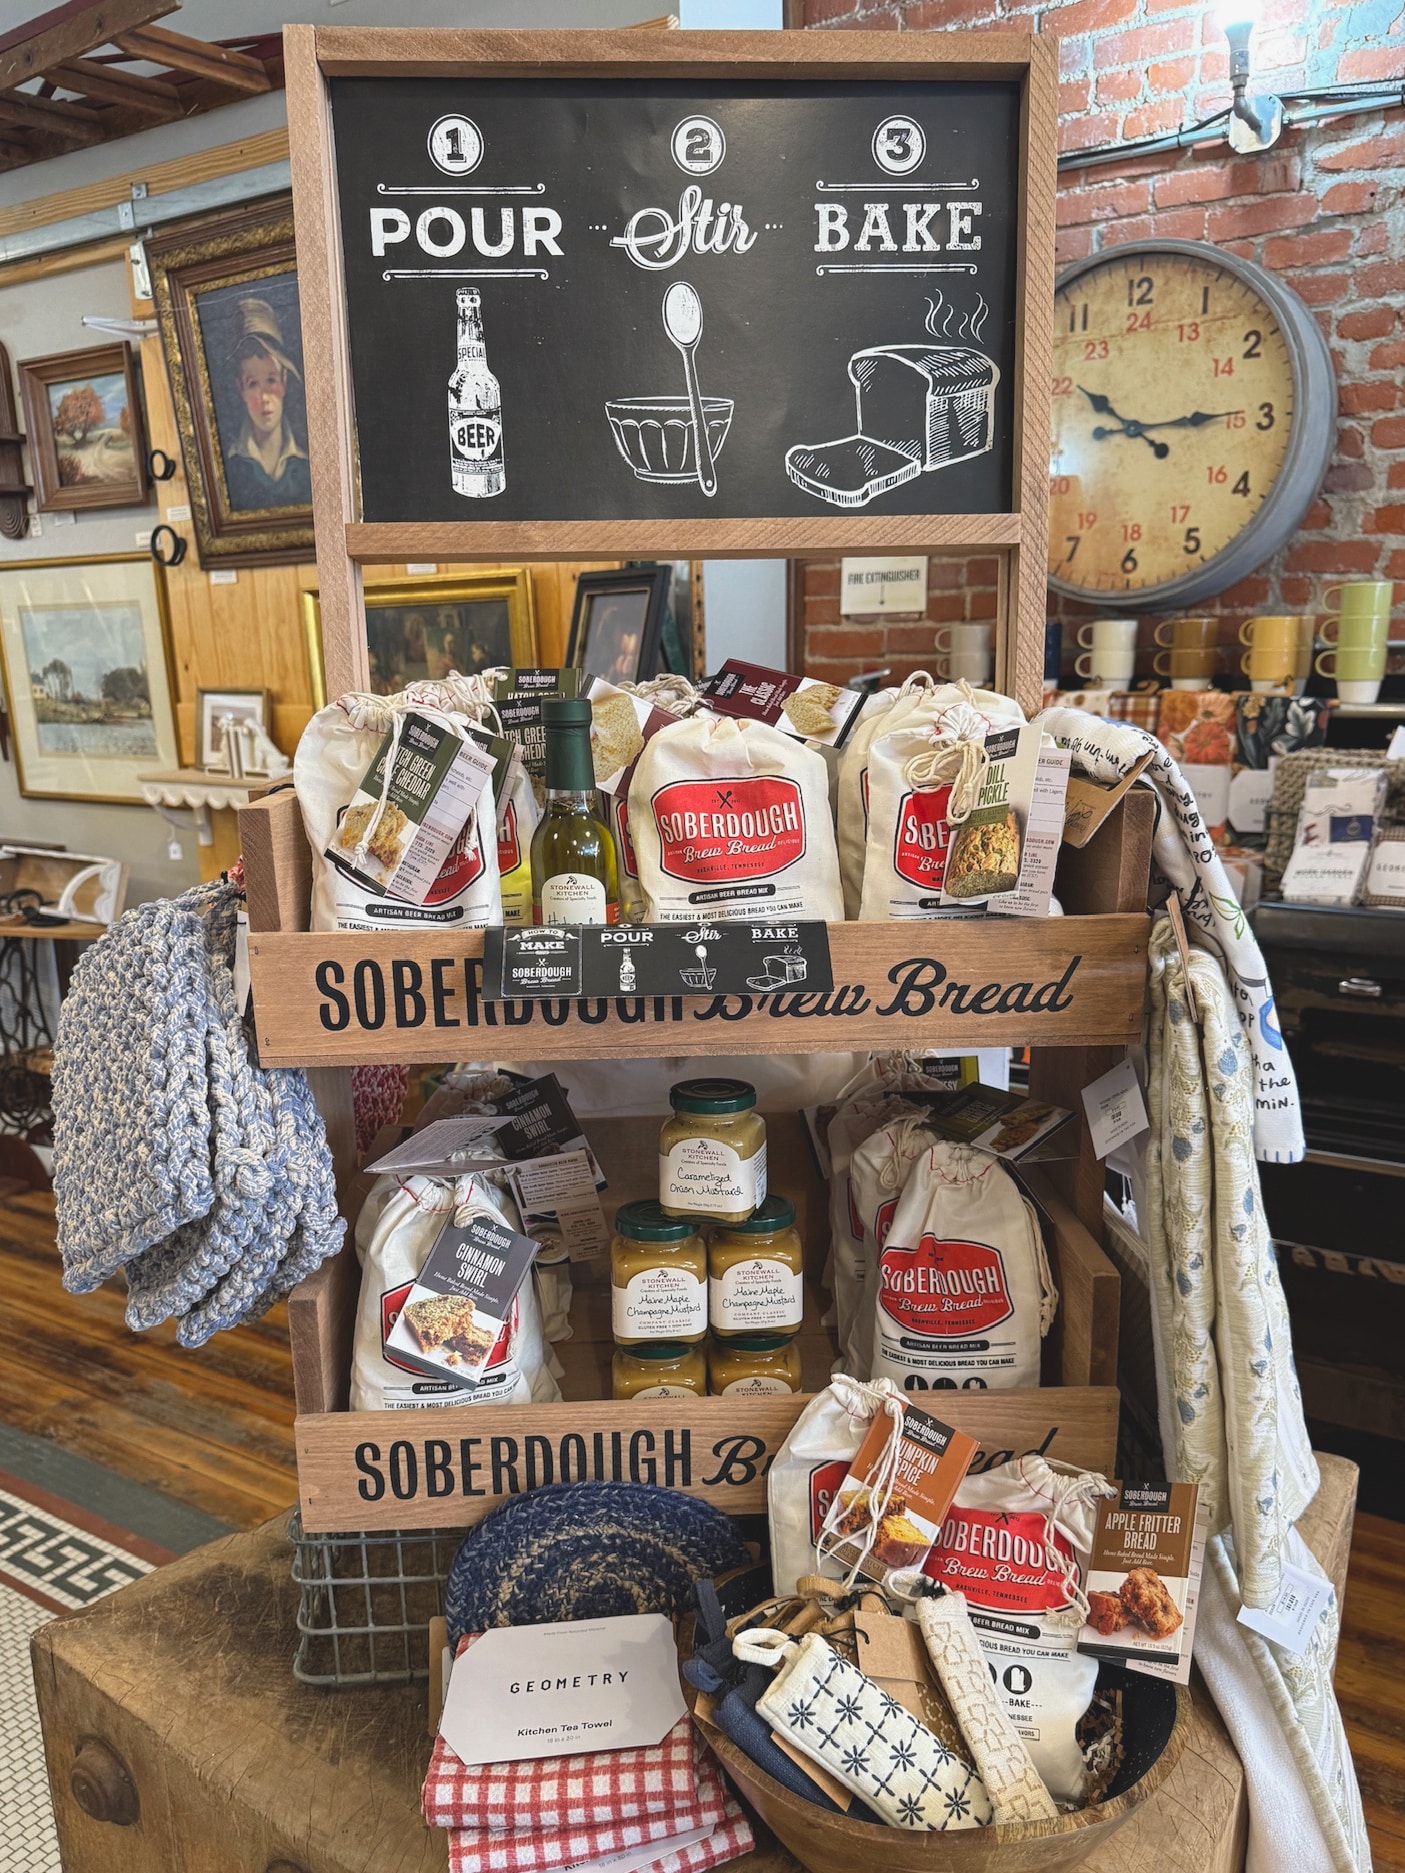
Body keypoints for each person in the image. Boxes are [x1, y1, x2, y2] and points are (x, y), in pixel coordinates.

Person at [222, 297, 312, 512]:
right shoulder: (230, 467)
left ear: (284, 382)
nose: (263, 397)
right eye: (253, 384)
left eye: (271, 380)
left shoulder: (307, 465)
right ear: (240, 389)